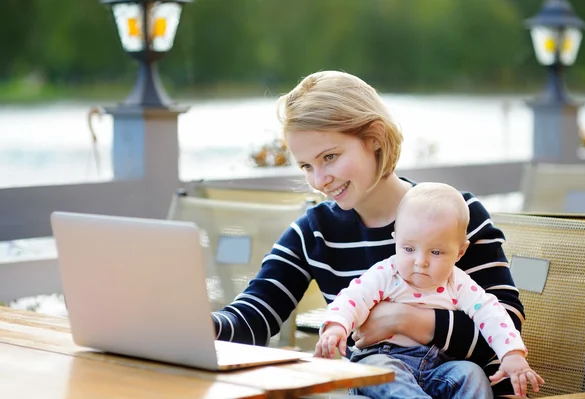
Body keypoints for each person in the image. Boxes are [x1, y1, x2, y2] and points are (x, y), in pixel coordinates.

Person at [211, 70, 525, 397]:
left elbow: (506, 324)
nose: (319, 180)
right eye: (306, 166)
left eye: (329, 157)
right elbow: (256, 313)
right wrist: (206, 327)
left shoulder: (456, 215)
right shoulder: (314, 232)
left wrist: (402, 319)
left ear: (374, 137)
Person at [315, 182, 544, 398]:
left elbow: (491, 314)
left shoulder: (458, 283)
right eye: (408, 248)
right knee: (376, 372)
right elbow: (353, 298)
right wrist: (336, 326)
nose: (420, 261)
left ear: (460, 252)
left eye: (436, 252)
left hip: (439, 366)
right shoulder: (387, 273)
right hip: (384, 357)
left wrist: (512, 354)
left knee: (471, 373)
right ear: (396, 241)